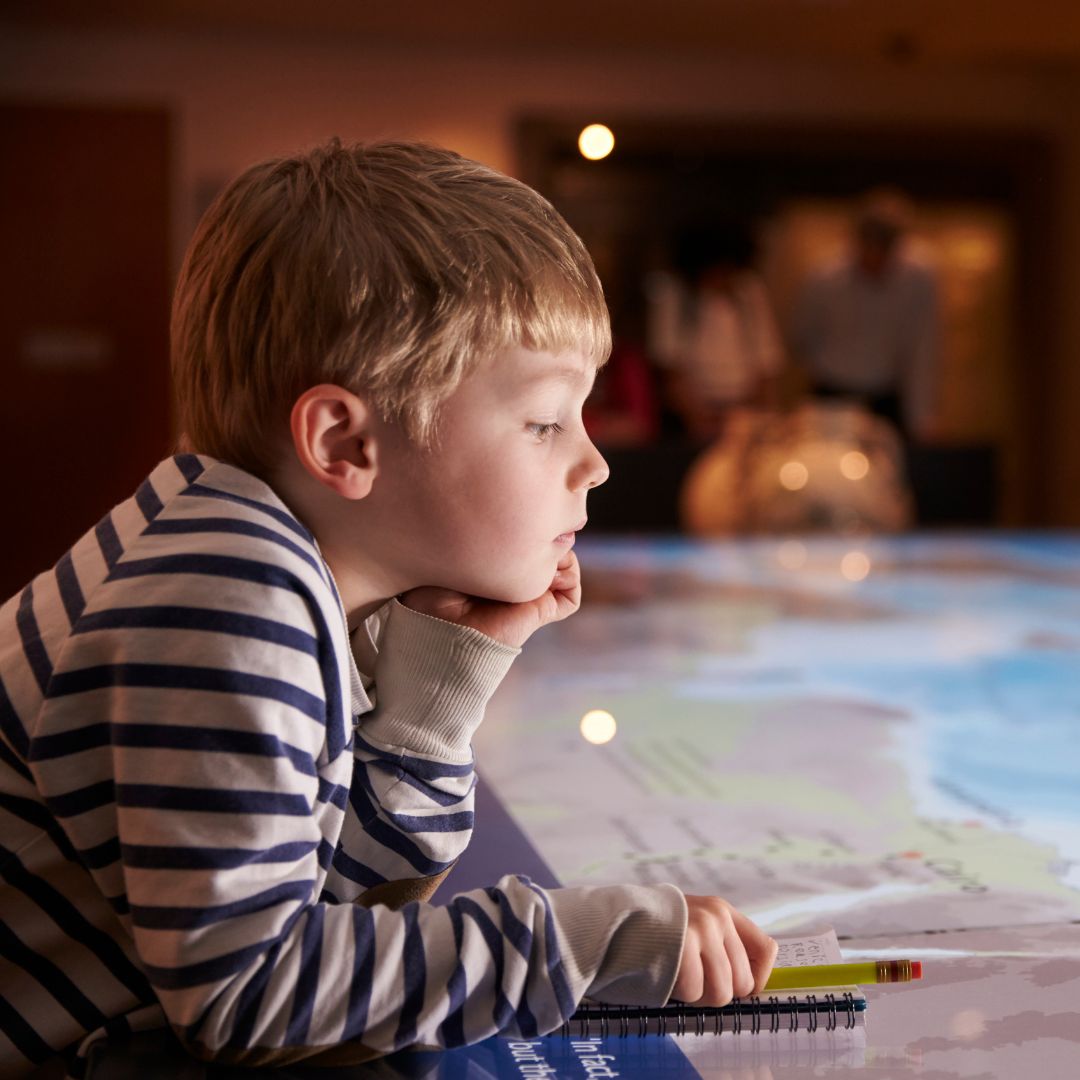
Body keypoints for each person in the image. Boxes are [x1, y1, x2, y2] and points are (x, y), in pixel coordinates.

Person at [0, 140, 777, 1076]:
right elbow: (252, 1001)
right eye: (543, 422)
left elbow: (340, 911)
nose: (595, 462)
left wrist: (437, 692)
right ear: (345, 442)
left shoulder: (259, 557)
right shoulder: (228, 601)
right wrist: (575, 942)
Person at [791, 188, 941, 442]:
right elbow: (802, 336)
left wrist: (922, 415)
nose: (875, 259)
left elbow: (923, 347)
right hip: (831, 394)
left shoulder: (919, 276)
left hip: (886, 396)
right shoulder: (825, 275)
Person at [648, 221, 785, 442]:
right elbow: (670, 367)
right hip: (693, 413)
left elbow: (766, 362)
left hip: (743, 410)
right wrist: (697, 418)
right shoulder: (675, 294)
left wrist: (760, 415)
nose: (721, 278)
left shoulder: (750, 291)